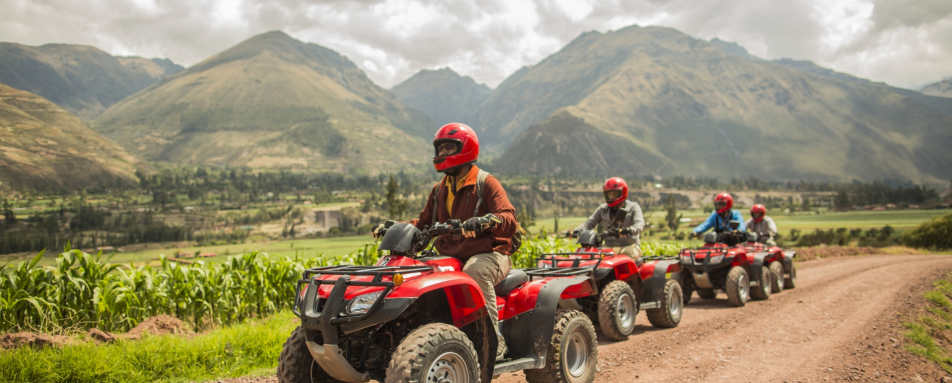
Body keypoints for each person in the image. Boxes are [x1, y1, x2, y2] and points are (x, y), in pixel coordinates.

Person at [412, 122, 518, 360]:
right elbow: (422, 224)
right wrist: (397, 228)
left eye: (448, 148)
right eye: (440, 150)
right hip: (452, 255)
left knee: (475, 272)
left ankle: (494, 344)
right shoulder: (439, 190)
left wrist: (486, 221)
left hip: (491, 254)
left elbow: (509, 218)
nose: (442, 155)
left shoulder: (485, 182)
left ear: (466, 149)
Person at [574, 177, 645, 259]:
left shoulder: (633, 207)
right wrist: (577, 230)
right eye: (608, 194)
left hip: (629, 246)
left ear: (623, 192)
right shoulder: (602, 209)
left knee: (626, 259)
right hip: (608, 248)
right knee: (594, 260)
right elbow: (589, 223)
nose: (611, 197)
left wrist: (628, 230)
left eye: (614, 194)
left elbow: (639, 224)